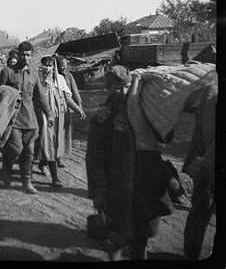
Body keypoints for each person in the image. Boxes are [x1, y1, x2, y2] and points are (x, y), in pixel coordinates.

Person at [86, 65, 174, 260]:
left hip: (145, 183)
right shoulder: (104, 116)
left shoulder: (143, 108)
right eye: (117, 88)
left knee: (145, 232)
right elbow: (94, 158)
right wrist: (98, 193)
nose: (123, 92)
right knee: (118, 235)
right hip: (118, 187)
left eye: (126, 86)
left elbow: (165, 136)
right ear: (108, 88)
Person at [0, 41, 54, 194]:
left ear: (31, 56)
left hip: (30, 119)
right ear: (18, 55)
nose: (25, 57)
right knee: (15, 148)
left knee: (29, 152)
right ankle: (6, 170)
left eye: (28, 55)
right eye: (22, 54)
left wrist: (49, 114)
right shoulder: (7, 72)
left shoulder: (33, 74)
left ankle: (26, 182)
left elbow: (40, 97)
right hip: (12, 119)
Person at [35, 56, 86, 187]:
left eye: (51, 66)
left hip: (58, 117)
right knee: (48, 144)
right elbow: (38, 98)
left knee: (54, 144)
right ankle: (54, 177)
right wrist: (45, 82)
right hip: (45, 118)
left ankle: (43, 163)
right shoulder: (38, 80)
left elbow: (67, 98)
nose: (49, 68)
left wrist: (78, 109)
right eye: (46, 65)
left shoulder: (61, 80)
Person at [182, 71, 217, 260]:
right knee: (201, 210)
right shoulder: (212, 89)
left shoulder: (210, 84)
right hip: (208, 162)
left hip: (205, 161)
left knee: (199, 211)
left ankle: (191, 253)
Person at [55, 56, 83, 168]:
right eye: (62, 65)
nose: (64, 67)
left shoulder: (69, 76)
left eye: (65, 65)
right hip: (56, 109)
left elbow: (75, 91)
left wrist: (79, 106)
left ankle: (61, 156)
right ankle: (53, 157)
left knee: (65, 133)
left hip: (67, 109)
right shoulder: (53, 77)